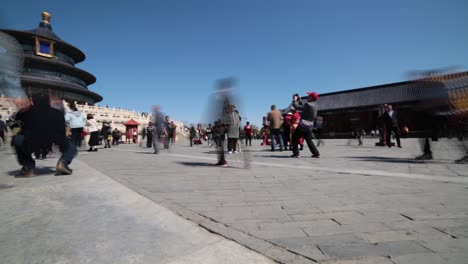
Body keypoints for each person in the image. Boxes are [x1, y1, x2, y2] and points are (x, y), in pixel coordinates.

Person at [12, 94, 77, 177]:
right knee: (72, 146)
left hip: (30, 140)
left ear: (33, 101)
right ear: (48, 101)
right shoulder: (57, 113)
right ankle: (63, 162)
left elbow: (15, 126)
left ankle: (28, 168)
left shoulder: (25, 112)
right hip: (52, 140)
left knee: (17, 139)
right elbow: (61, 130)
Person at [291, 92, 320, 158]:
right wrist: (300, 101)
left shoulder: (307, 104)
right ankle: (316, 153)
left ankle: (296, 153)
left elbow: (297, 107)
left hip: (303, 125)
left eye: (309, 96)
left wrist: (294, 100)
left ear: (311, 97)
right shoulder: (315, 106)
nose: (307, 97)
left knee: (294, 138)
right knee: (308, 140)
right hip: (309, 125)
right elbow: (304, 108)